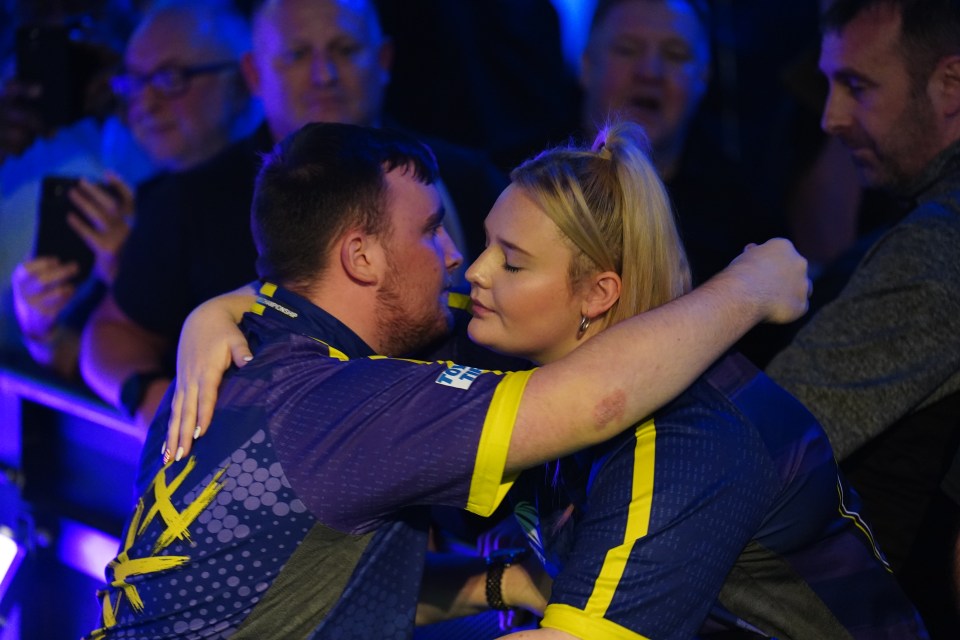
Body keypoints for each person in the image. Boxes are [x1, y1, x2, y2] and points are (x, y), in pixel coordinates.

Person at [169, 121, 925, 639]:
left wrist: (747, 288)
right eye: (474, 240)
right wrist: (218, 310)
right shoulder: (503, 364)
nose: (471, 266)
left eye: (513, 260)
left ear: (597, 295)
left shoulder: (688, 439)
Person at [79, 0, 507, 426]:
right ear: (253, 74)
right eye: (297, 55)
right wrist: (158, 404)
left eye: (345, 49)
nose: (325, 76)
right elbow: (109, 335)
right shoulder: (191, 199)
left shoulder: (466, 178)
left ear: (383, 59)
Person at [764, 0, 960, 636]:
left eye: (857, 86)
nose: (831, 117)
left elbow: (760, 445)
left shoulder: (940, 246)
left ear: (950, 86)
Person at [8, 0, 262, 380]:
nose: (145, 102)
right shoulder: (146, 202)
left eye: (170, 78)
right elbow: (81, 355)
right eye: (134, 81)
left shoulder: (278, 201)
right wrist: (39, 327)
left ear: (245, 79)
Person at [578, 0, 784, 285]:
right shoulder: (521, 180)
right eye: (627, 50)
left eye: (675, 55)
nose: (650, 71)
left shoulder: (746, 214)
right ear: (587, 65)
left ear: (704, 76)